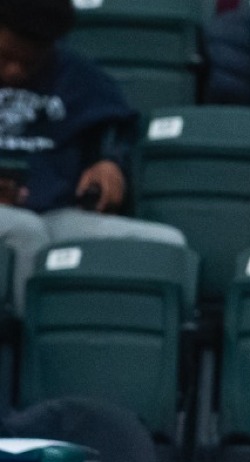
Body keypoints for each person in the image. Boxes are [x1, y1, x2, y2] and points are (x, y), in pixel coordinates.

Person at [0, 0, 188, 306]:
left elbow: (115, 127)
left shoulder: (77, 76)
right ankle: (32, 346)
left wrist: (110, 162)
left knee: (166, 246)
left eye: (29, 62)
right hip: (17, 223)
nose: (15, 71)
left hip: (54, 213)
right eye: (5, 57)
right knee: (26, 233)